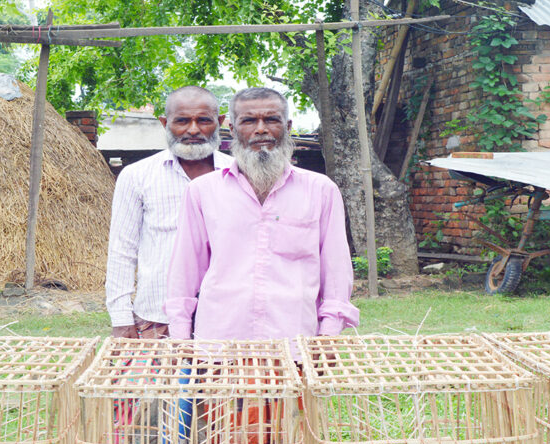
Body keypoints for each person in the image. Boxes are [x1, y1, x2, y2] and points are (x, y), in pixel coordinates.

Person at [165, 86, 359, 348]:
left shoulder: (321, 190)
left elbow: (336, 271)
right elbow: (184, 270)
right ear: (232, 130)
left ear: (287, 126)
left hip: (295, 343)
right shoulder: (202, 191)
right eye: (248, 121)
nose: (260, 129)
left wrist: (328, 335)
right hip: (220, 344)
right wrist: (179, 336)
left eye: (271, 120)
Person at [105, 86, 233, 339]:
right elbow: (122, 250)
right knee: (159, 379)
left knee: (222, 380)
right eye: (182, 121)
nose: (193, 130)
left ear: (219, 123)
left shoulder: (239, 175)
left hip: (227, 318)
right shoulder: (137, 176)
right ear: (165, 123)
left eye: (204, 121)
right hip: (157, 316)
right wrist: (120, 317)